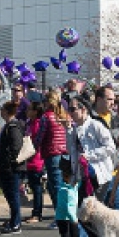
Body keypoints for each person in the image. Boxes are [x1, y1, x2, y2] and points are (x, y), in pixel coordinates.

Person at [65, 96, 116, 237]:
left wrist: (90, 156)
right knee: (83, 215)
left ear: (83, 109)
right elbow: (72, 153)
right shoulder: (74, 128)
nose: (70, 112)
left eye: (73, 109)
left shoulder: (95, 125)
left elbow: (110, 147)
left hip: (98, 176)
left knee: (91, 216)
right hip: (83, 176)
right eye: (69, 109)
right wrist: (73, 176)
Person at [34, 91, 69, 229]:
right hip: (64, 153)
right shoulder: (63, 115)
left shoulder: (46, 117)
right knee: (59, 185)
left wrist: (34, 148)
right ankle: (63, 215)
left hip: (52, 152)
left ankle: (60, 217)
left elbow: (40, 136)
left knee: (56, 187)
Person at [0, 101, 27, 234]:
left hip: (12, 168)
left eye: (2, 109)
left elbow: (16, 146)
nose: (0, 112)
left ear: (7, 112)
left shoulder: (13, 127)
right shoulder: (9, 126)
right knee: (10, 195)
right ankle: (14, 221)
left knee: (13, 195)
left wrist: (9, 161)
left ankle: (16, 224)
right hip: (7, 167)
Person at [53, 154, 82, 237]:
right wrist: (74, 218)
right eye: (71, 177)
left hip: (73, 217)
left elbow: (80, 184)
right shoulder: (65, 190)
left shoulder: (74, 186)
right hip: (63, 217)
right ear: (65, 177)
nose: (74, 179)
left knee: (75, 235)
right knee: (66, 236)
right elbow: (68, 207)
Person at [24, 101, 46, 223]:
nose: (27, 111)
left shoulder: (37, 124)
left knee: (37, 187)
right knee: (34, 186)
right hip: (29, 158)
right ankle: (35, 212)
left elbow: (36, 142)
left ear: (35, 112)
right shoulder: (30, 123)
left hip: (36, 159)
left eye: (30, 109)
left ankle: (37, 213)